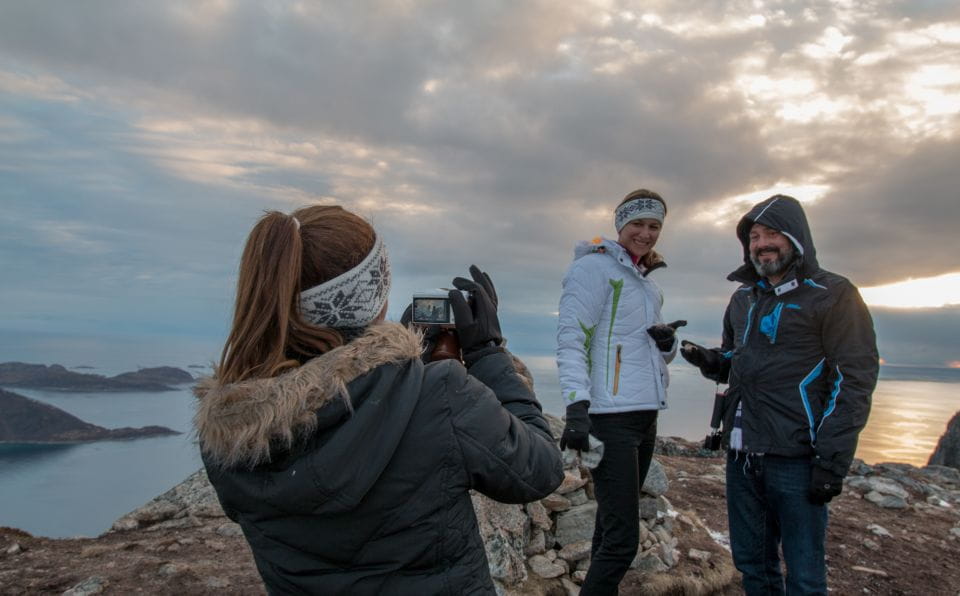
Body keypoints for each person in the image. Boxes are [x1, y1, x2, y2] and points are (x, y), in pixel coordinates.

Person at [194, 205, 563, 595]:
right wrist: (487, 353)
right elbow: (539, 470)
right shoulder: (438, 395)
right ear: (374, 297)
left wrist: (395, 364)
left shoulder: (230, 427)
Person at [680, 194, 878, 595]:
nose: (761, 243)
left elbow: (853, 379)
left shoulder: (834, 295)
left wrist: (831, 459)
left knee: (804, 577)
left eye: (772, 233)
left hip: (797, 457)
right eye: (754, 236)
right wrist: (710, 360)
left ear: (797, 238)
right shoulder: (744, 298)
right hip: (742, 453)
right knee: (753, 566)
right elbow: (739, 359)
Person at [556, 189, 683, 595]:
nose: (646, 234)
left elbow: (651, 354)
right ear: (620, 225)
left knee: (611, 532)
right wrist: (577, 405)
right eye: (638, 224)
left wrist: (667, 344)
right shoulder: (593, 270)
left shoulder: (646, 283)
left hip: (645, 415)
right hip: (611, 419)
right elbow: (571, 338)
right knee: (624, 541)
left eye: (654, 226)